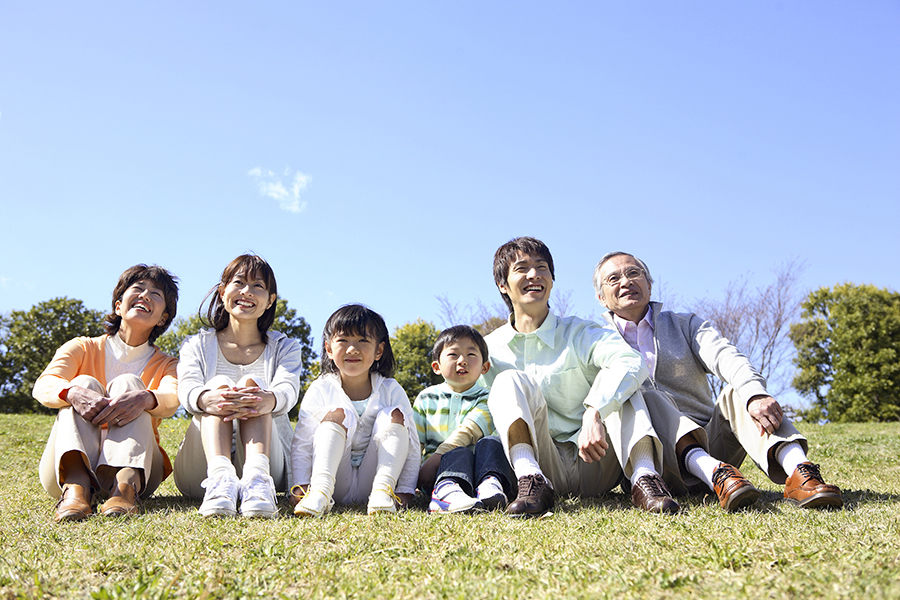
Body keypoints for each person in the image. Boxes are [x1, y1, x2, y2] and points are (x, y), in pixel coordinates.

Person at [594, 251, 843, 509]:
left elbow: (725, 355)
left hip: (713, 445)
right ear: (601, 297)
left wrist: (755, 393)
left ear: (649, 284)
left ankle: (801, 474)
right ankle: (714, 473)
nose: (626, 282)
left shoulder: (684, 324)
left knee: (742, 393)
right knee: (647, 395)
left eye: (634, 273)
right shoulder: (595, 340)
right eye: (613, 278)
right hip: (653, 464)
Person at [483, 237, 701, 517]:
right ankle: (531, 478)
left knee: (623, 380)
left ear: (551, 279)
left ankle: (645, 478)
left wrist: (594, 412)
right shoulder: (488, 349)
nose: (534, 275)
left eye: (541, 267)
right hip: (541, 461)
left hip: (598, 459)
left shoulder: (579, 332)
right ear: (503, 284)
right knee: (508, 381)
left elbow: (631, 362)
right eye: (522, 268)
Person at [34, 265, 180, 522]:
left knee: (131, 385)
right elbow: (44, 384)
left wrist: (146, 397)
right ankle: (76, 487)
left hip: (140, 469)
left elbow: (172, 398)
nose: (145, 295)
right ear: (118, 306)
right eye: (137, 289)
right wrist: (72, 393)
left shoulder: (169, 365)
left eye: (156, 294)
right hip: (65, 468)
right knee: (82, 383)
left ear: (163, 318)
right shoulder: (81, 347)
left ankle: (125, 486)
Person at [173, 254, 302, 518]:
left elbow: (288, 389)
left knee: (250, 386)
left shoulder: (285, 347)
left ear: (270, 301)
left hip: (267, 464)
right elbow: (186, 388)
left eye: (258, 286)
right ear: (222, 292)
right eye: (239, 282)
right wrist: (206, 399)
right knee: (218, 385)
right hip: (200, 470)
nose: (247, 291)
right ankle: (221, 480)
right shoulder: (196, 345)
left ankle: (256, 482)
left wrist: (268, 399)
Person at [291, 304, 420, 516]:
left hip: (375, 481)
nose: (352, 349)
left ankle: (383, 494)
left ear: (379, 350)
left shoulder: (391, 389)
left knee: (394, 414)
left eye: (363, 341)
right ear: (329, 349)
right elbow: (303, 442)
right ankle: (319, 494)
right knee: (338, 413)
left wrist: (405, 490)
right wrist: (301, 485)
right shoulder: (320, 388)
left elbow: (412, 444)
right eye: (343, 341)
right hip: (333, 481)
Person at [413, 325, 514, 514]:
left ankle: (490, 485)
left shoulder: (490, 397)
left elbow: (468, 431)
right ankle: (446, 491)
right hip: (435, 475)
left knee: (492, 442)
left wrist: (436, 457)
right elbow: (414, 444)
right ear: (437, 366)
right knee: (458, 452)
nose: (462, 361)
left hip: (480, 471)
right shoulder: (426, 398)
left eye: (471, 355)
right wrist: (409, 482)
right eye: (453, 355)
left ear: (485, 367)